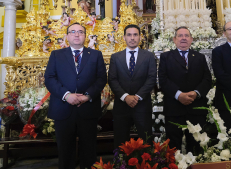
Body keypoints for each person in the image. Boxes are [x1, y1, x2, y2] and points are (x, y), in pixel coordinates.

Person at [44, 22, 107, 169]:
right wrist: (66, 95)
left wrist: (87, 96)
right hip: (63, 109)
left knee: (89, 151)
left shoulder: (96, 55)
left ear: (85, 35)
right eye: (73, 32)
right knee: (65, 151)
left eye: (80, 32)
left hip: (88, 109)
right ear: (67, 36)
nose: (76, 34)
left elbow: (101, 79)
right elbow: (50, 78)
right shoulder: (56, 55)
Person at [158, 26, 211, 154]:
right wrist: (179, 95)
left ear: (191, 39)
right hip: (174, 108)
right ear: (174, 39)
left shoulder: (199, 57)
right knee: (174, 146)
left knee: (196, 146)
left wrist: (195, 93)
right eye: (180, 36)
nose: (183, 38)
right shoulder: (166, 57)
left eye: (186, 36)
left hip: (196, 107)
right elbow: (163, 80)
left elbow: (207, 79)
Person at [108, 24, 156, 148]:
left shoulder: (149, 56)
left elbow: (151, 78)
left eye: (135, 35)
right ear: (124, 37)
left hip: (142, 105)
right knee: (121, 141)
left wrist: (137, 96)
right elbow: (112, 79)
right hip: (122, 106)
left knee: (146, 140)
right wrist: (125, 97)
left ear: (140, 37)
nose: (132, 38)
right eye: (129, 35)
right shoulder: (115, 57)